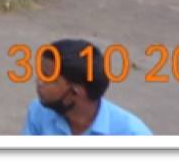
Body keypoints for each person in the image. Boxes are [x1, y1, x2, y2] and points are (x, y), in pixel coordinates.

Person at [22, 38, 152, 136]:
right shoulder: (38, 112)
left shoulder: (132, 134)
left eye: (47, 77)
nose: (38, 82)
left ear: (75, 91)